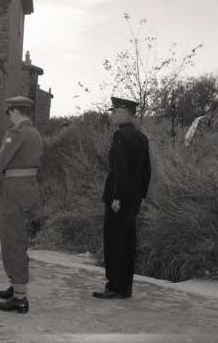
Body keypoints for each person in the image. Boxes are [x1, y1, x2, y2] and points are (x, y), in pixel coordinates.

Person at [0, 96, 43, 314]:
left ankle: (20, 297)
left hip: (15, 190)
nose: (9, 116)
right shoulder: (34, 133)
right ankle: (16, 284)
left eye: (9, 112)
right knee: (19, 239)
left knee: (12, 241)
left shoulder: (16, 133)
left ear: (14, 111)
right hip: (28, 189)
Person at [93, 96, 151, 300]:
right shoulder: (141, 137)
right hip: (133, 198)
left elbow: (120, 169)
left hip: (119, 199)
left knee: (114, 242)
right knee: (128, 243)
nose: (112, 115)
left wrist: (117, 197)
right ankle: (125, 288)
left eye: (115, 112)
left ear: (126, 113)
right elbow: (146, 171)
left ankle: (114, 286)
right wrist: (142, 196)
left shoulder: (120, 136)